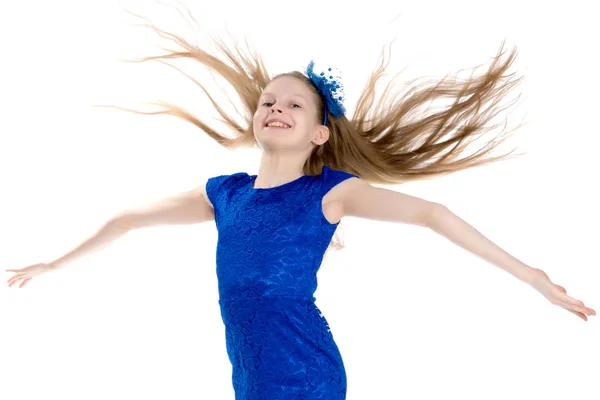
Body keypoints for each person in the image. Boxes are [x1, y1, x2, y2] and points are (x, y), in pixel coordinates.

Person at [5, 6, 596, 400]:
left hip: (303, 368)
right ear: (255, 118)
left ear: (318, 134)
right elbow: (129, 218)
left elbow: (432, 215)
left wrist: (533, 278)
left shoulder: (328, 193)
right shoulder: (225, 194)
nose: (276, 109)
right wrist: (56, 262)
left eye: (294, 105)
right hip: (252, 369)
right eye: (269, 101)